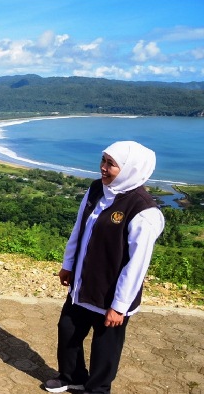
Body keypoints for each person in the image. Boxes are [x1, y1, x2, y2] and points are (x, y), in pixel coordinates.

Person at [44, 141, 165, 394]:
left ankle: (97, 389)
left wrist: (119, 307)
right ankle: (72, 376)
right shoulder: (97, 189)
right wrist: (68, 265)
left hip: (112, 294)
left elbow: (137, 265)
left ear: (131, 169)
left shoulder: (143, 211)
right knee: (67, 330)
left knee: (105, 346)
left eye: (111, 164)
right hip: (83, 283)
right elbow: (79, 228)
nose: (103, 168)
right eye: (103, 160)